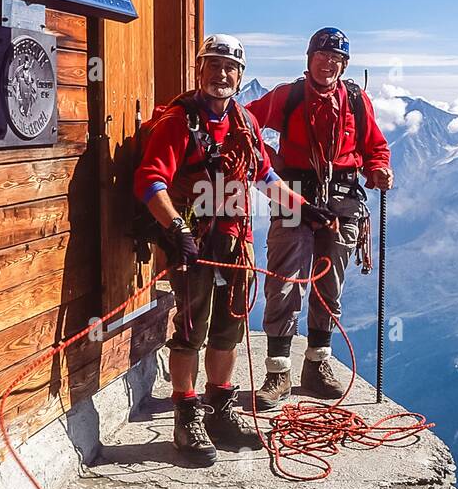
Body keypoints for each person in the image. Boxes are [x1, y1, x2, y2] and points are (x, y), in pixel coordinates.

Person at [134, 34, 336, 466]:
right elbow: (150, 179)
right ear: (200, 69)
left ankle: (221, 408)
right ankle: (187, 415)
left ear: (240, 76)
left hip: (235, 242)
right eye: (214, 66)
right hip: (195, 241)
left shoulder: (243, 122)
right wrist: (176, 229)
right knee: (190, 328)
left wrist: (307, 211)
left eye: (230, 68)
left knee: (228, 329)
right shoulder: (179, 121)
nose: (221, 74)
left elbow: (266, 180)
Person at [245, 27, 393, 407]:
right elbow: (245, 124)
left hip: (343, 202)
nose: (328, 64)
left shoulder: (356, 101)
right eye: (322, 56)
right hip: (295, 199)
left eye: (336, 59)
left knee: (329, 288)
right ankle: (278, 372)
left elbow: (374, 145)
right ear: (309, 59)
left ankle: (316, 366)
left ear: (344, 65)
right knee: (284, 283)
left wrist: (378, 168)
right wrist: (270, 161)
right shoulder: (288, 96)